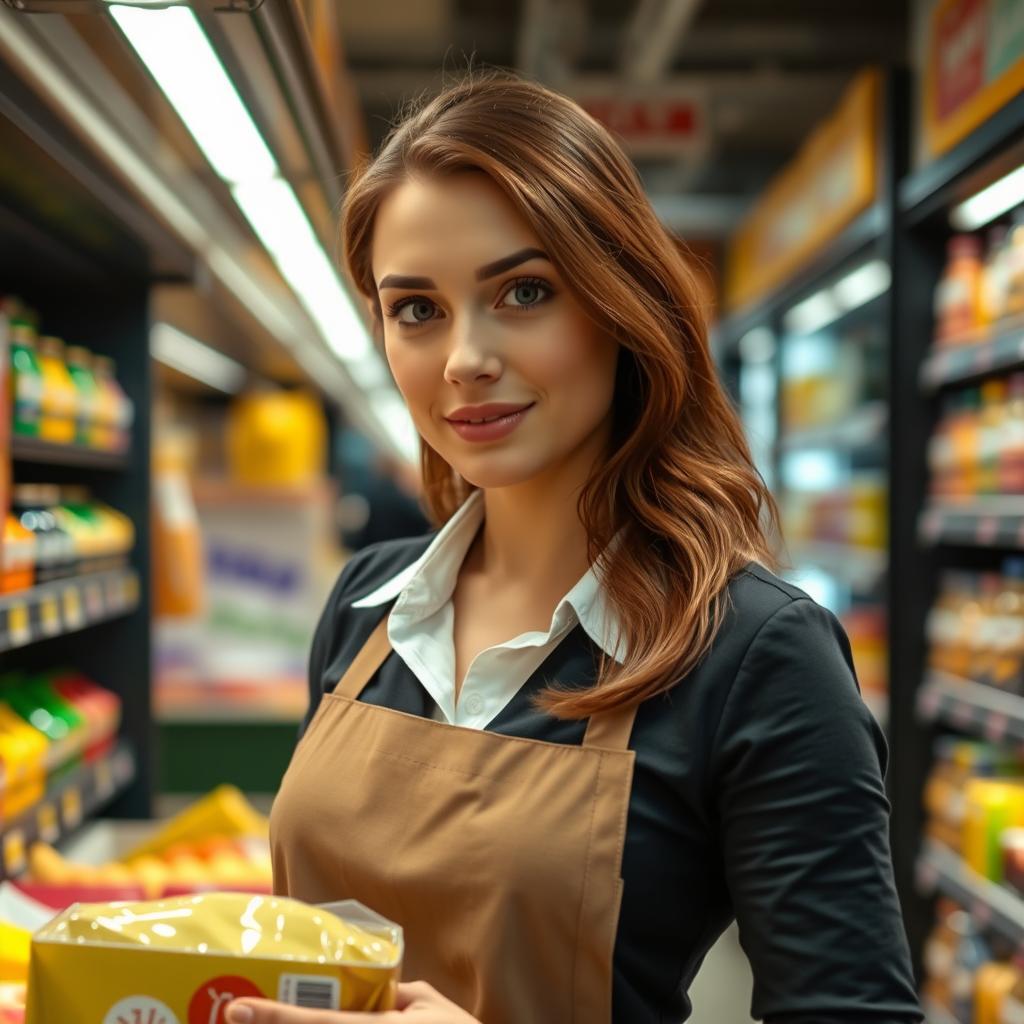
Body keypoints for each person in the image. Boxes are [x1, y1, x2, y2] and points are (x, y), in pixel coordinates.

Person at [227, 72, 923, 1024]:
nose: (465, 357)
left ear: (618, 303)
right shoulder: (366, 608)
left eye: (523, 291)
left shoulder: (755, 653)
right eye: (417, 308)